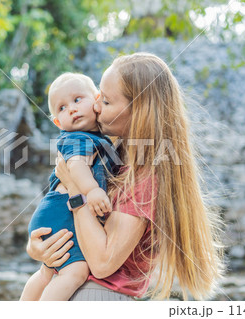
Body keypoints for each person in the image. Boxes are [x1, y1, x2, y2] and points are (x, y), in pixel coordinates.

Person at [26, 52, 224, 301]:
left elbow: (101, 263)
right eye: (98, 96)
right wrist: (39, 250)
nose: (95, 106)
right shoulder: (112, 156)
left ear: (138, 111)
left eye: (106, 101)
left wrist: (76, 191)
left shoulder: (144, 177)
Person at [20, 73, 118, 301]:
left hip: (53, 212)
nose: (72, 109)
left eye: (77, 100)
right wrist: (92, 190)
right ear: (57, 122)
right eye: (62, 108)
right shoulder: (78, 138)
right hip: (62, 213)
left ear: (96, 99)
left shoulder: (98, 138)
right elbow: (76, 165)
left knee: (48, 271)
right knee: (76, 272)